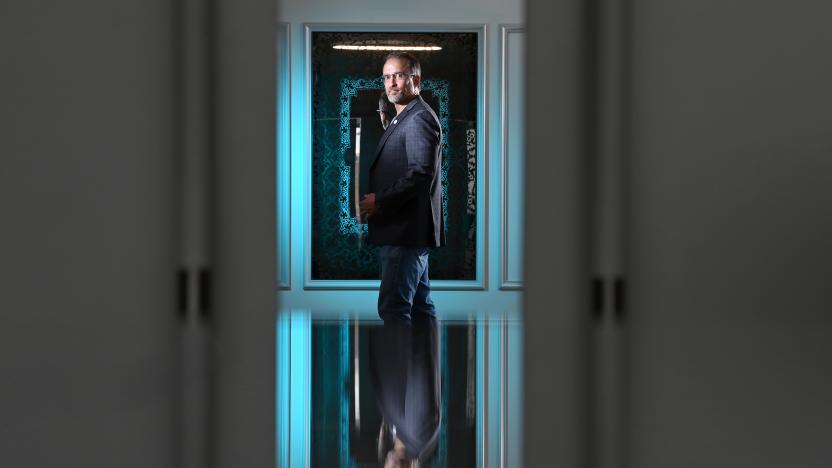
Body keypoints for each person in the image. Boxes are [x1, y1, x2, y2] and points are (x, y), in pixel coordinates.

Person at [359, 51, 445, 321]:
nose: (391, 83)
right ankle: (425, 363)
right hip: (405, 232)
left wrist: (379, 200)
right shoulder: (406, 117)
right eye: (386, 76)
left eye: (398, 75)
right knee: (420, 308)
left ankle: (397, 364)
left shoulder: (418, 118)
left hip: (405, 233)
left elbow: (420, 175)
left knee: (394, 309)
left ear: (415, 79)